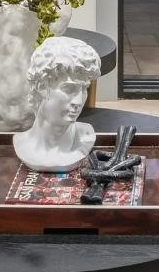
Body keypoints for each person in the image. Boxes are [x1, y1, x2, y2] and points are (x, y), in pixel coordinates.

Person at [12, 37, 100, 172]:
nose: (78, 101)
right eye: (69, 89)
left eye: (84, 89)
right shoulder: (22, 144)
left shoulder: (85, 139)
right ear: (42, 86)